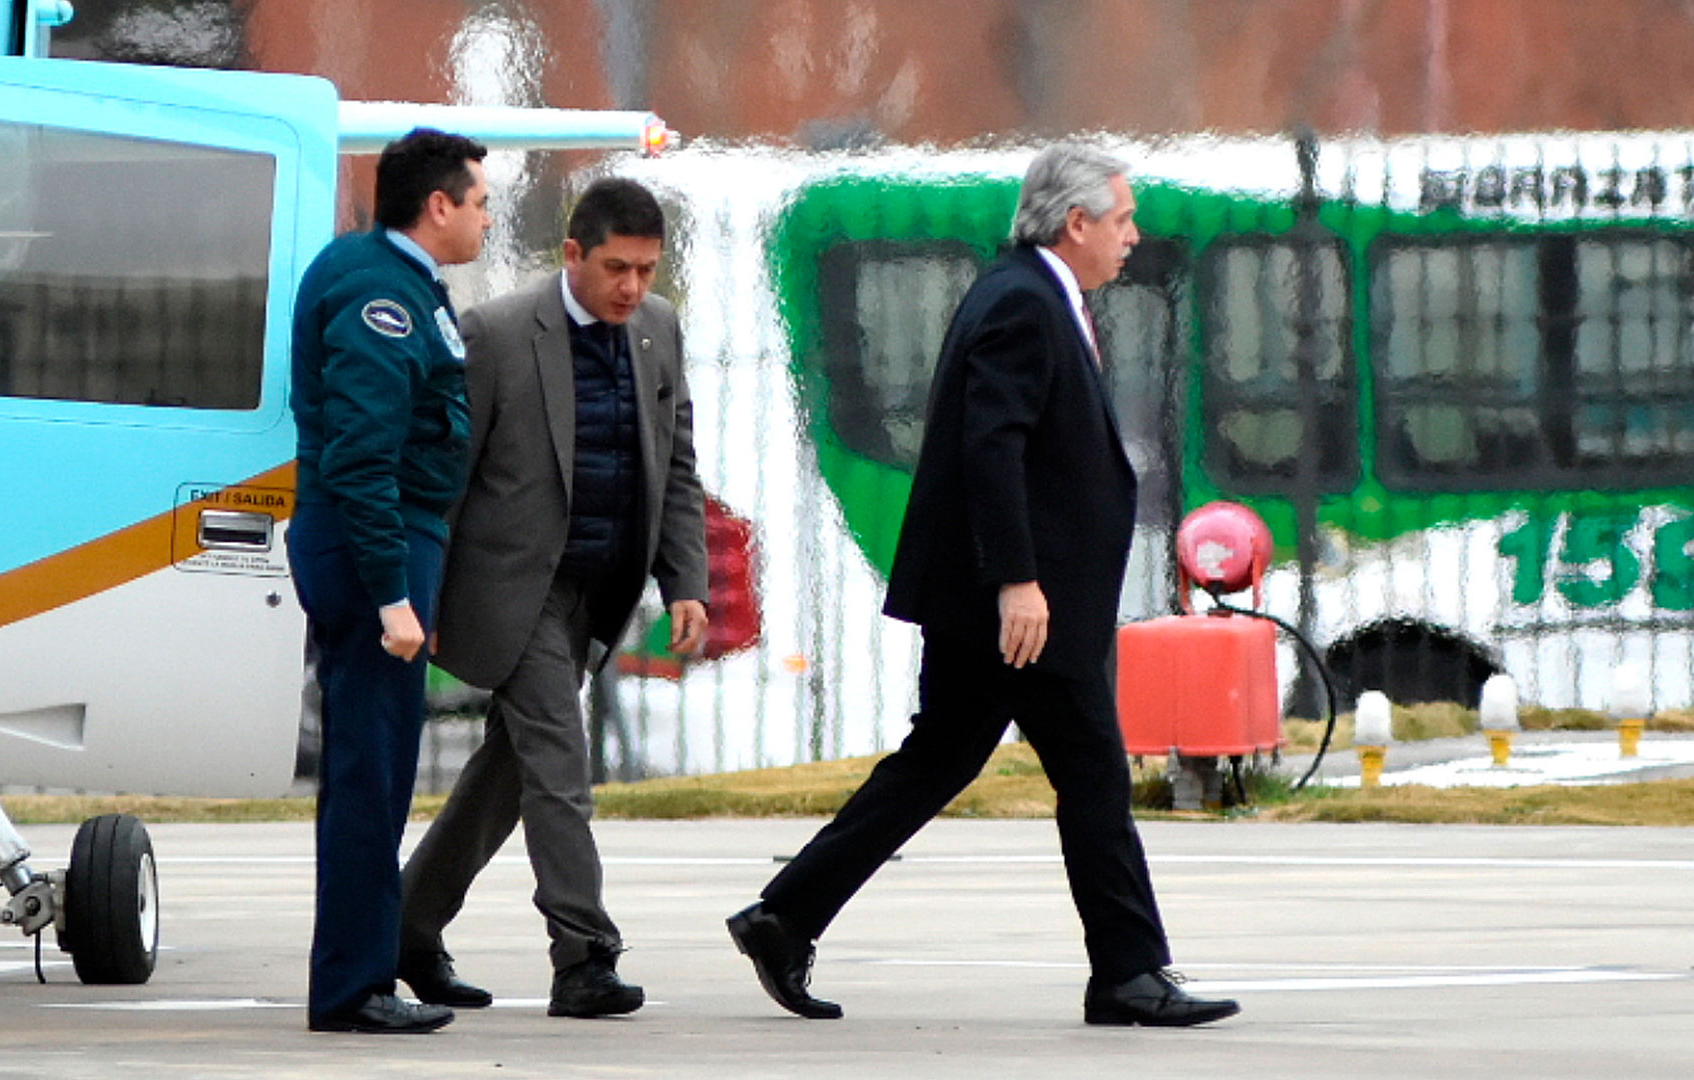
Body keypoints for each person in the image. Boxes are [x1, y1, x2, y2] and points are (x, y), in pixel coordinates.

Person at [725, 144, 1241, 1028]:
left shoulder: (1033, 294)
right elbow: (989, 447)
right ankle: (1129, 973)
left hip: (1008, 604)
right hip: (1018, 609)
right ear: (1076, 224)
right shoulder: (1023, 304)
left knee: (940, 761)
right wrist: (1018, 582)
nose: (1134, 236)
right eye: (1122, 219)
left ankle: (786, 915)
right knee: (1088, 774)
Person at [397, 177, 709, 1018]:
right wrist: (414, 592)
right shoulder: (497, 333)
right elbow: (447, 477)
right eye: (615, 268)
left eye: (646, 270)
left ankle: (404, 925)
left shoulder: (657, 329)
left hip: (600, 590)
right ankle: (584, 956)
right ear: (572, 254)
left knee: (510, 770)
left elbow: (675, 464)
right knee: (560, 763)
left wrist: (686, 581)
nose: (631, 288)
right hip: (514, 586)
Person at [289, 128, 491, 1035]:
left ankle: (364, 970)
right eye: (480, 199)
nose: (487, 215)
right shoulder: (381, 296)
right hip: (374, 549)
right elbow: (364, 460)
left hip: (393, 548)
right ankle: (351, 988)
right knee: (371, 776)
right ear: (438, 205)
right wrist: (393, 598)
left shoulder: (387, 277)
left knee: (375, 770)